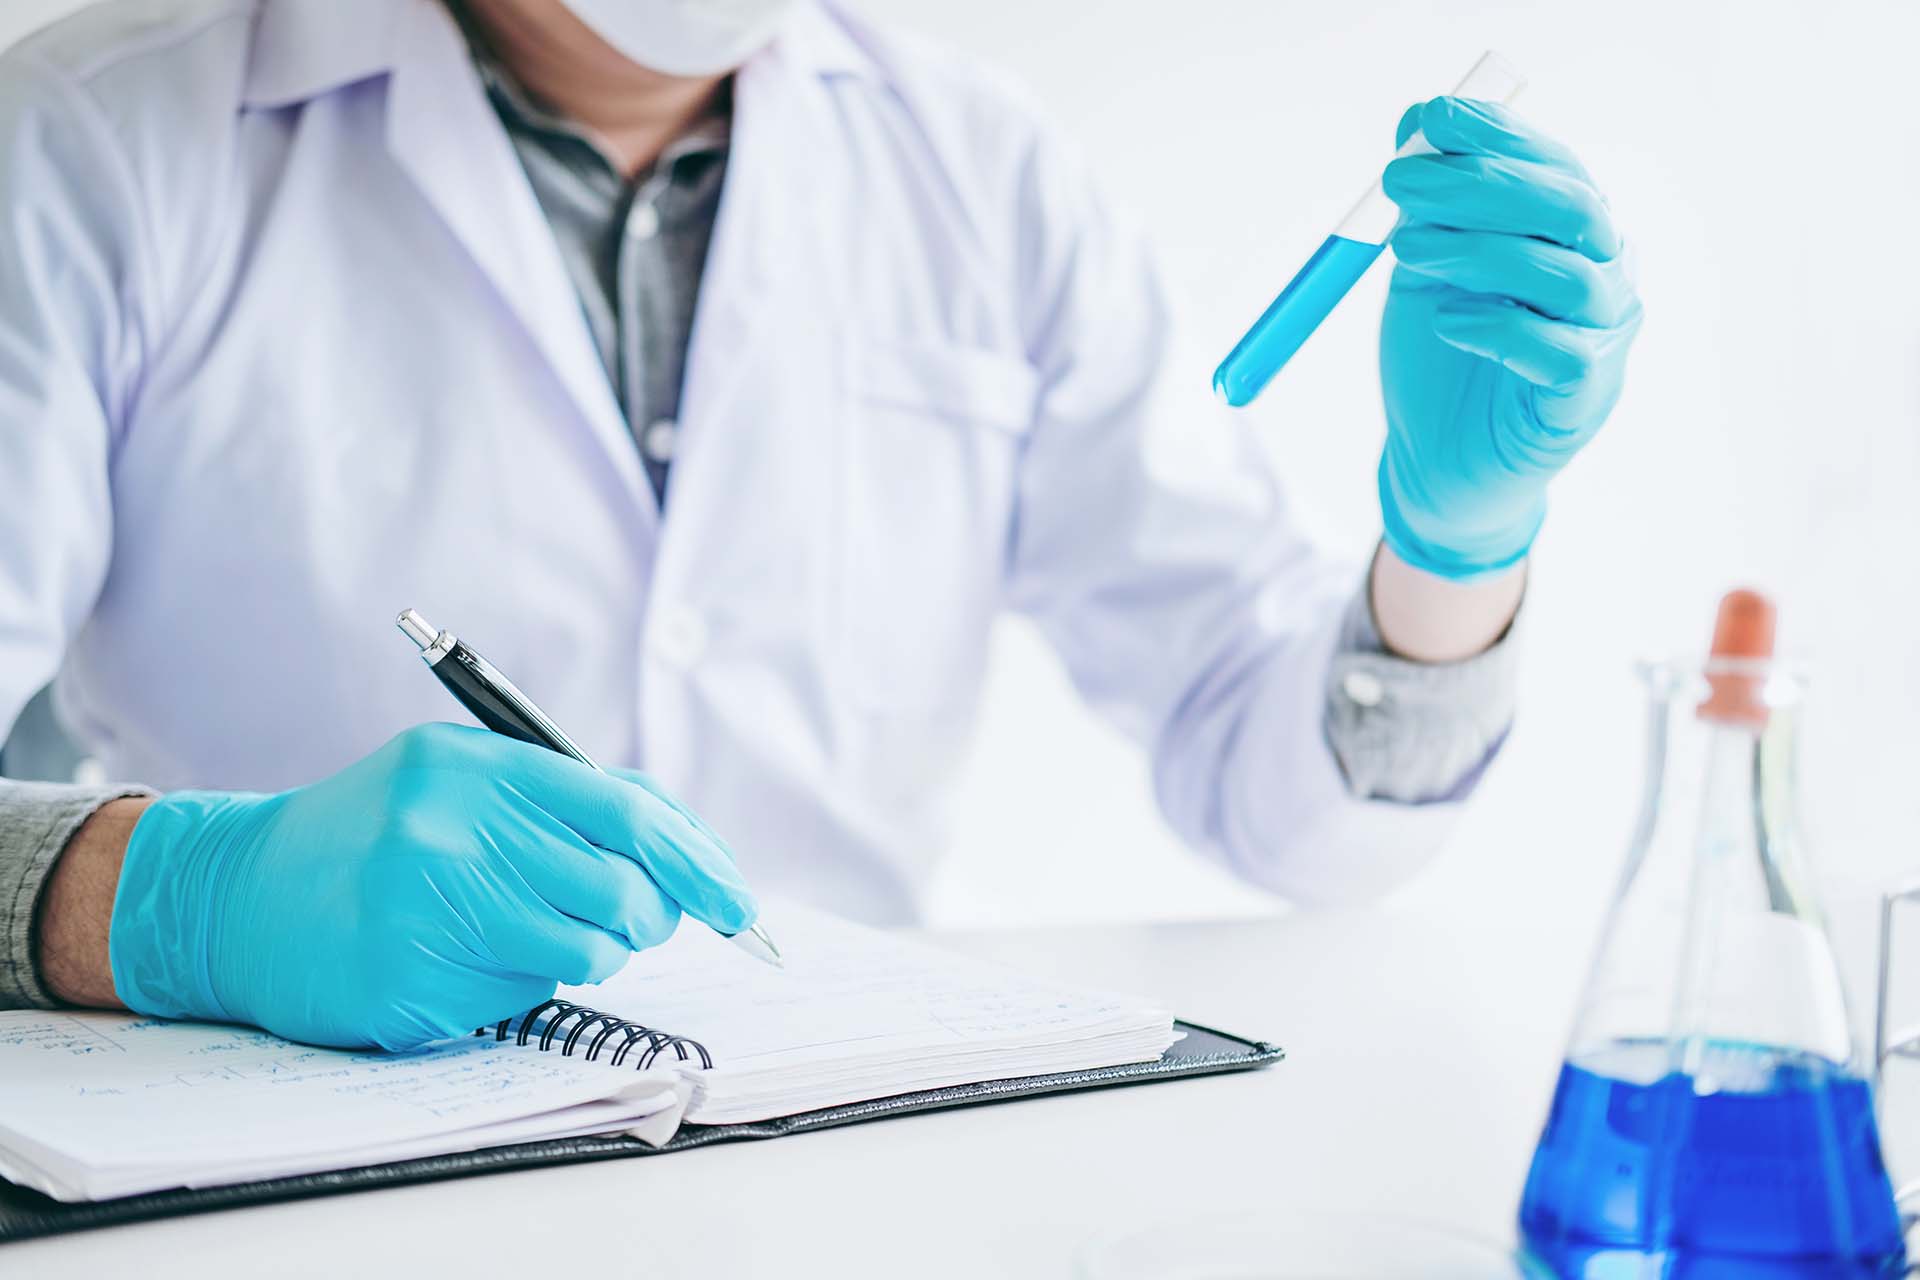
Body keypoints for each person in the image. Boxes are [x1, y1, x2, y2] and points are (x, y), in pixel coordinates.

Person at [0, 0, 1641, 1050]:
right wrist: (172, 898)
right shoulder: (93, 137)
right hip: (279, 1159)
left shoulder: (978, 172)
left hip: (836, 1143)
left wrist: (1454, 547)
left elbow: (1285, 802)